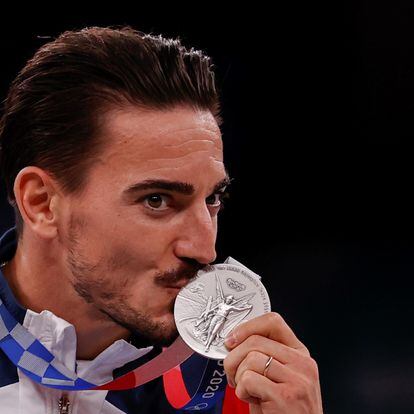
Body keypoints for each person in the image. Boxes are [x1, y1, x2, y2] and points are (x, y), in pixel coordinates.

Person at [0, 26, 323, 413]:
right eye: (157, 200)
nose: (205, 250)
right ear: (41, 203)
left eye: (213, 198)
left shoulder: (243, 390)